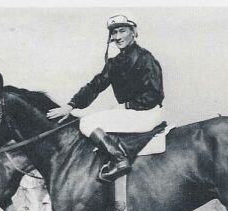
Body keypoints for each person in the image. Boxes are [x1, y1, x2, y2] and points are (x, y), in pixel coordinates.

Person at [47, 14, 164, 182]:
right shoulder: (114, 63)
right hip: (133, 112)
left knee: (86, 122)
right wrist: (70, 105)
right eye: (114, 33)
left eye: (122, 31)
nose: (117, 37)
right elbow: (95, 86)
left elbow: (155, 94)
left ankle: (119, 160)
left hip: (148, 113)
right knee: (89, 119)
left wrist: (126, 106)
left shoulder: (146, 59)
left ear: (133, 32)